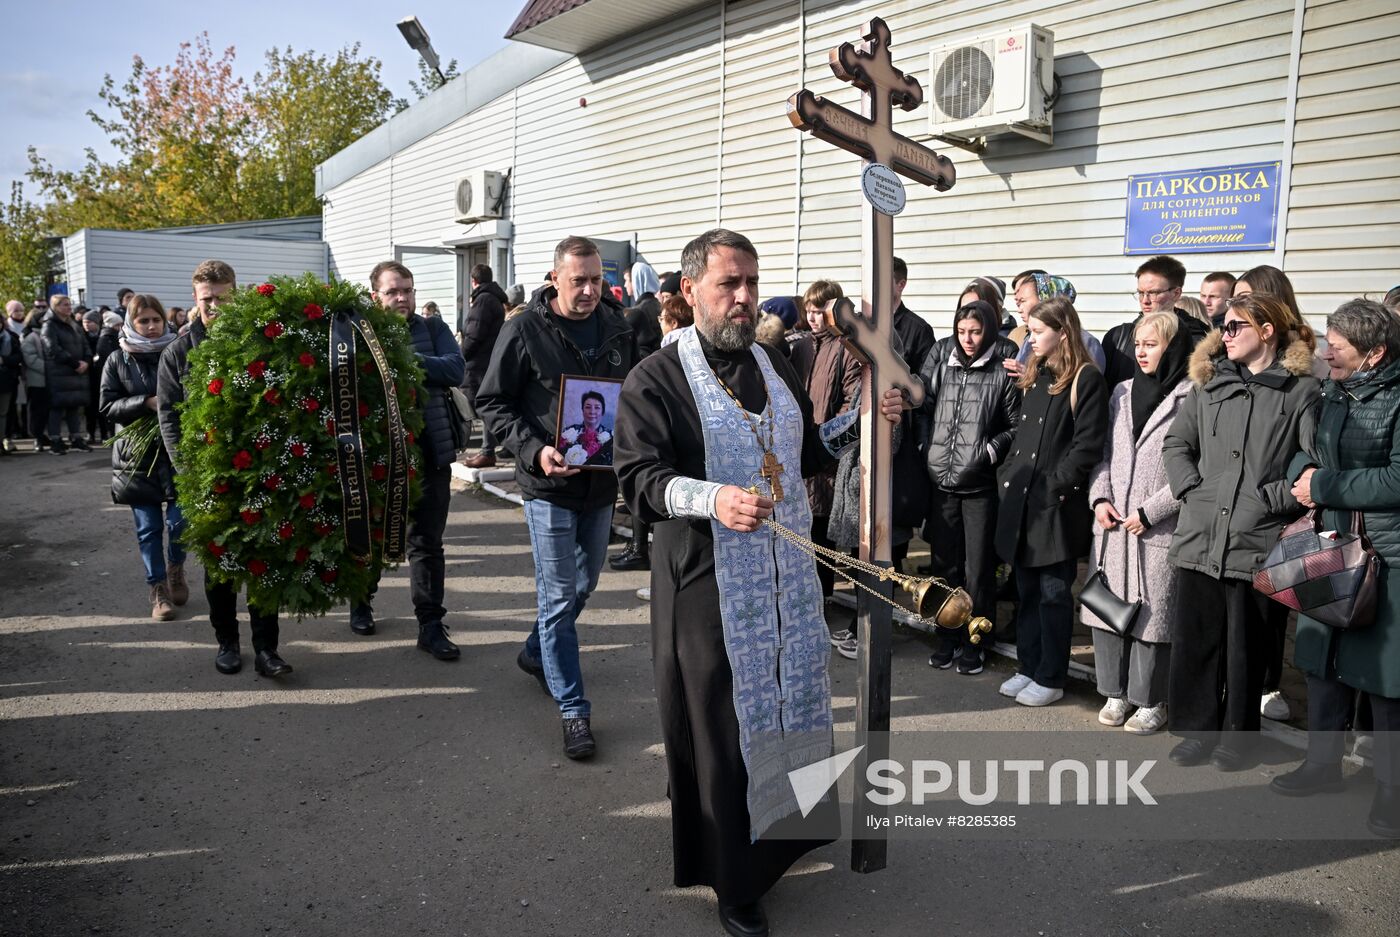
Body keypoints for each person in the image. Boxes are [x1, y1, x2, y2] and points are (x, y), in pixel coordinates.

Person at [613, 227, 903, 937]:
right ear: (690, 292)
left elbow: (805, 447)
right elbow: (638, 476)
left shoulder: (770, 362)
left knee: (792, 707)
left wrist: (859, 422)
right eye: (727, 285)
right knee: (724, 727)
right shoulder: (656, 376)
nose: (744, 298)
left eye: (750, 282)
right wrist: (712, 497)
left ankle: (783, 844)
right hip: (706, 583)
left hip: (785, 578)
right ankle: (735, 884)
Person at [477, 236, 635, 760]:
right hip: (548, 484)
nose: (589, 291)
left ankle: (534, 652)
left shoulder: (620, 325)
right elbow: (493, 403)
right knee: (558, 594)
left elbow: (634, 392)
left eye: (596, 280)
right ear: (554, 278)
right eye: (578, 281)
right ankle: (573, 710)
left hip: (600, 482)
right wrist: (535, 450)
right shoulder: (523, 329)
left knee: (585, 582)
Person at [1161, 293, 1320, 770]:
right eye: (1223, 326)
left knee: (1247, 647)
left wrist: (1274, 501)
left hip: (1257, 538)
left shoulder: (1300, 391)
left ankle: (1238, 738)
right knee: (1197, 639)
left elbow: (1312, 461)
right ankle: (1196, 731)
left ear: (1267, 330)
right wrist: (1192, 489)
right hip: (1202, 532)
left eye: (1234, 327)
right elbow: (1177, 443)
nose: (1224, 335)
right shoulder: (1208, 384)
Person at [1273, 298, 1400, 839]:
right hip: (1330, 544)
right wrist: (1304, 472)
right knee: (1321, 660)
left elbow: (1396, 480)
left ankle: (1392, 794)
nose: (1326, 353)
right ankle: (1321, 765)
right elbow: (1307, 451)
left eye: (1338, 347)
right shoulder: (1333, 390)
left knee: (1384, 683)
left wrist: (1321, 486)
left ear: (1374, 353)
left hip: (1385, 559)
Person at [158, 260, 290, 679]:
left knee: (263, 564)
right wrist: (190, 472)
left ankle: (267, 648)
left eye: (221, 297)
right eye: (206, 299)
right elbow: (169, 419)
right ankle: (227, 643)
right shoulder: (178, 352)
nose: (213, 305)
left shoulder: (259, 344)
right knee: (221, 567)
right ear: (194, 299)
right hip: (208, 477)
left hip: (259, 472)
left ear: (236, 294)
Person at [349, 260, 467, 662]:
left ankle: (431, 624)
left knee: (427, 543)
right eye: (393, 291)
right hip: (377, 459)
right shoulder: (359, 334)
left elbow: (455, 368)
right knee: (373, 535)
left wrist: (402, 364)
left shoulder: (433, 328)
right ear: (374, 296)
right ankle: (361, 599)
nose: (402, 298)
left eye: (408, 290)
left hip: (430, 454)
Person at [995, 296, 1109, 706]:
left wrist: (1053, 487)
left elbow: (1087, 446)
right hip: (1022, 501)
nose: (1031, 340)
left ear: (1063, 331)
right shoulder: (1037, 372)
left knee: (1054, 595)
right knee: (1026, 592)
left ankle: (1051, 675)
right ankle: (1028, 665)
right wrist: (1006, 475)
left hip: (1054, 508)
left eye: (1038, 332)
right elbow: (1023, 437)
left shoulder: (1086, 379)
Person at [1086, 311, 1192, 735]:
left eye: (1151, 344)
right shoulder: (1121, 392)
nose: (1140, 352)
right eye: (1138, 344)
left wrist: (1152, 511)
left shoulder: (1192, 396)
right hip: (1113, 525)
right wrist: (1099, 498)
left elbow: (1194, 470)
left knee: (1154, 616)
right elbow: (1102, 454)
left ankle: (1152, 700)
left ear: (1172, 347)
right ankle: (1114, 690)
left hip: (1158, 527)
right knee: (1108, 609)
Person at [1233, 263, 1324, 722]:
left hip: (1275, 505)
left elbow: (1308, 443)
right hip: (1238, 501)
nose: (1235, 305)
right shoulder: (1230, 361)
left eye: (1246, 295)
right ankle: (1247, 682)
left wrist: (1276, 494)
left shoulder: (1305, 360)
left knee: (1271, 601)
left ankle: (1270, 684)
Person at [919, 299, 1021, 673]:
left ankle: (975, 641)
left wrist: (988, 452)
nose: (968, 340)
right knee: (945, 565)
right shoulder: (944, 364)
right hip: (941, 481)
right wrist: (927, 447)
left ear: (990, 330)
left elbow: (1015, 424)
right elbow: (926, 409)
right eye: (962, 332)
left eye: (976, 332)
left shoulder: (1002, 369)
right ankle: (947, 634)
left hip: (979, 485)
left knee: (978, 569)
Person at [100, 293, 187, 621]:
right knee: (148, 527)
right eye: (143, 321)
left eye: (156, 320)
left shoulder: (177, 352)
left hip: (175, 450)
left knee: (180, 522)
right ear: (130, 322)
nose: (151, 327)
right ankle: (158, 588)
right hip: (136, 456)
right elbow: (107, 407)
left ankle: (176, 567)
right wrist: (144, 403)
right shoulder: (117, 360)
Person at [800, 279, 858, 617]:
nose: (813, 317)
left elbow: (851, 399)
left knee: (820, 532)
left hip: (827, 454)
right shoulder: (802, 347)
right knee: (801, 528)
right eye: (808, 311)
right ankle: (805, 596)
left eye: (820, 311)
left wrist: (829, 436)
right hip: (800, 447)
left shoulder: (845, 348)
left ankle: (822, 597)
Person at [1101, 255, 1209, 387]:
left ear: (1176, 293)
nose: (1145, 300)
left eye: (1154, 293)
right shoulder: (1118, 337)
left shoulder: (1199, 340)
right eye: (1140, 293)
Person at [1005, 273, 1105, 377]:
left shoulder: (1086, 342)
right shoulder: (1029, 339)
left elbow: (1090, 385)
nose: (1019, 309)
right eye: (1018, 304)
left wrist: (1034, 378)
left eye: (1023, 301)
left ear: (1047, 300)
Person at [459, 263, 508, 470]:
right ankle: (489, 448)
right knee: (485, 403)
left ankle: (487, 451)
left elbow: (474, 334)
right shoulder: (493, 298)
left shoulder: (483, 300)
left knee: (479, 404)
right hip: (488, 359)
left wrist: (460, 356)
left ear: (474, 281)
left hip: (479, 362)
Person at [40, 295, 92, 454]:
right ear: (55, 307)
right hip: (59, 373)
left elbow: (85, 344)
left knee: (74, 406)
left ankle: (76, 438)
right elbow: (52, 349)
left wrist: (87, 361)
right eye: (64, 305)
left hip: (76, 372)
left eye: (69, 304)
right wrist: (75, 364)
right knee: (57, 407)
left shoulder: (73, 325)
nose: (69, 307)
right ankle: (55, 440)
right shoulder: (49, 325)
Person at [557, 389, 614, 467]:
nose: (592, 411)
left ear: (602, 411)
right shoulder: (569, 432)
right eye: (588, 407)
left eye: (597, 407)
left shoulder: (611, 436)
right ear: (582, 410)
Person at [20, 309, 50, 450]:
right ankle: (37, 437)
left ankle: (45, 436)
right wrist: (50, 369)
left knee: (46, 411)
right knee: (37, 412)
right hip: (37, 381)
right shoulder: (31, 337)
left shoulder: (48, 334)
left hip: (49, 380)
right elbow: (31, 360)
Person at [624, 261, 663, 360]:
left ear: (636, 280)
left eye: (627, 280)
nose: (625, 285)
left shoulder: (640, 310)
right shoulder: (657, 304)